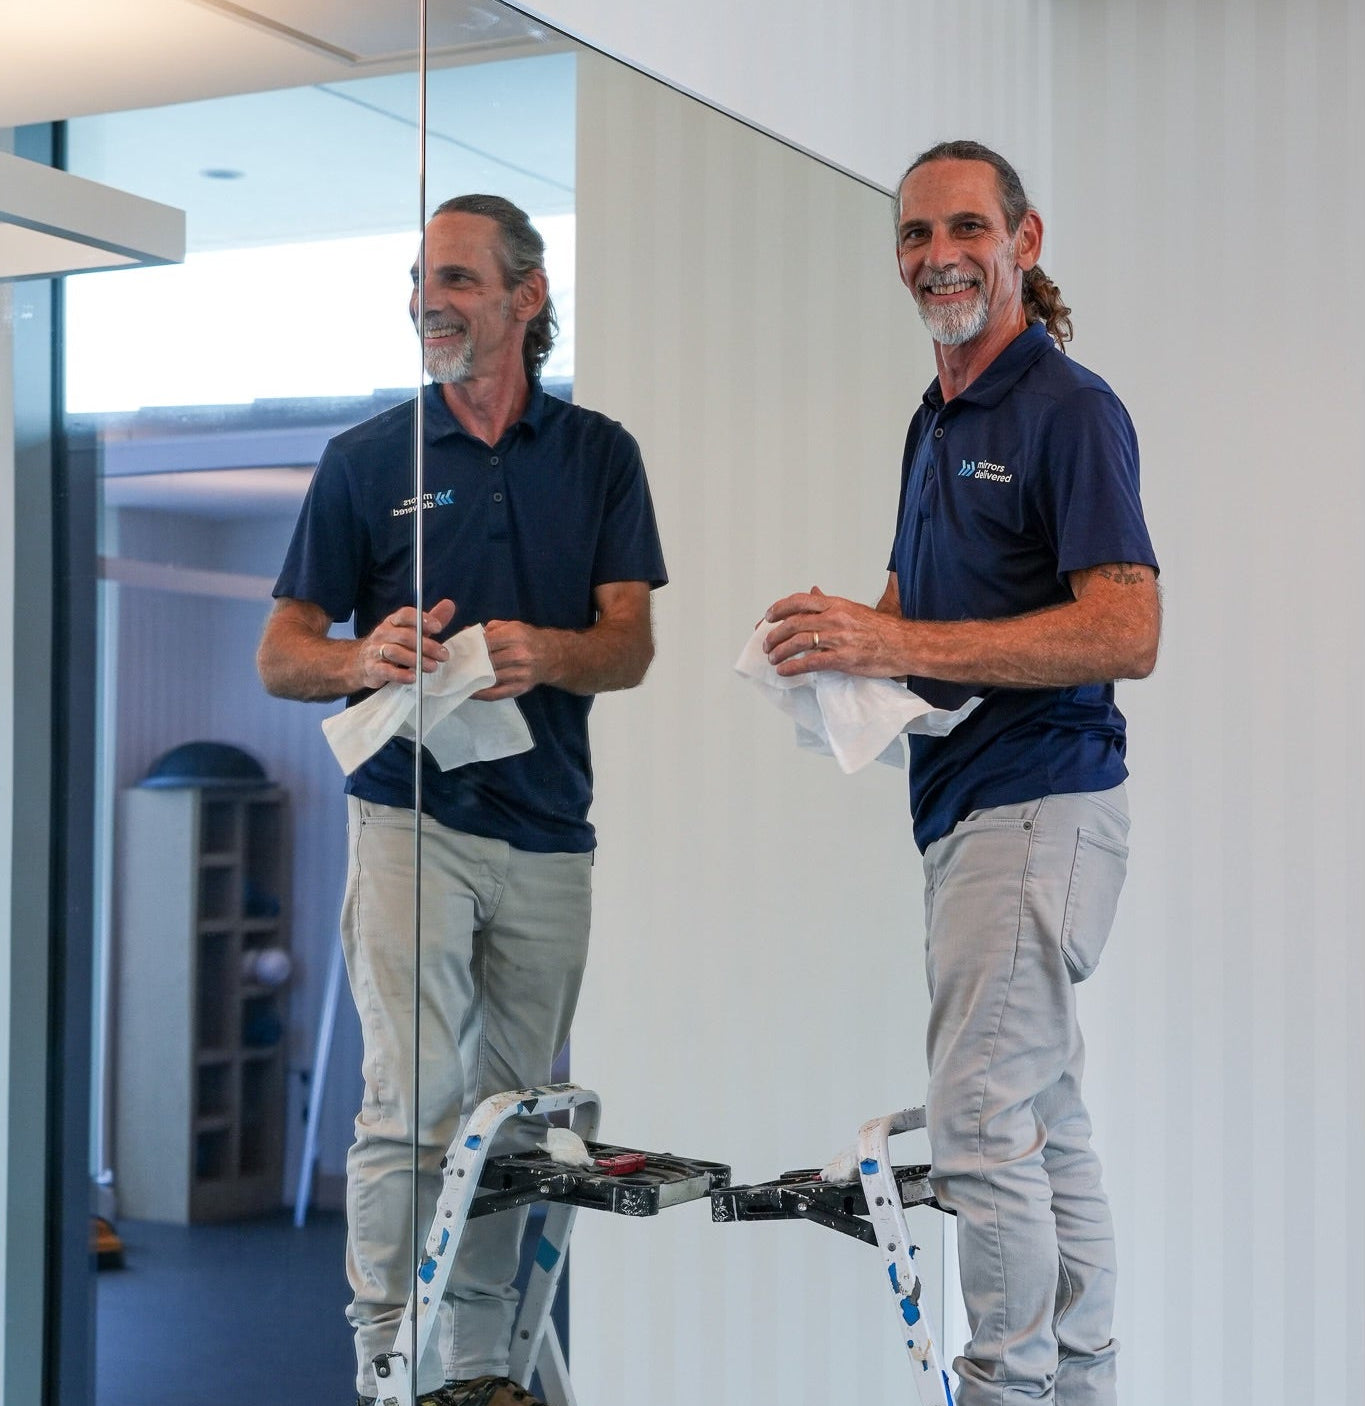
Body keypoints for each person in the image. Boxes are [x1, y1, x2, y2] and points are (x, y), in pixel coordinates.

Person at [763, 141, 1159, 1406]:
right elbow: (916, 611)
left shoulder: (1068, 408)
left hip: (1040, 801)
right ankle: (1080, 1383)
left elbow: (1126, 629)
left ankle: (1007, 1389)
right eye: (917, 234)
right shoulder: (933, 420)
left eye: (968, 228)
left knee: (983, 1123)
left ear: (1024, 244)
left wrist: (895, 638)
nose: (940, 254)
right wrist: (840, 641)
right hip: (969, 810)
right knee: (1046, 1125)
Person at [257, 194, 666, 1406]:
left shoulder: (600, 454)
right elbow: (282, 652)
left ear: (525, 298)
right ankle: (389, 1357)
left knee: (512, 1120)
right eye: (420, 281)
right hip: (409, 819)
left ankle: (478, 1366)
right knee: (413, 1105)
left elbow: (631, 644)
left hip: (548, 835)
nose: (430, 301)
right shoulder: (368, 459)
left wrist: (552, 651)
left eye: (457, 279)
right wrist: (359, 657)